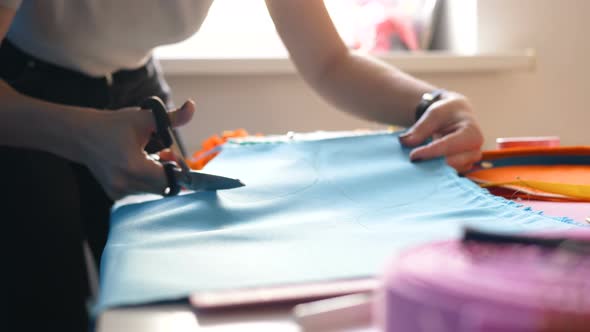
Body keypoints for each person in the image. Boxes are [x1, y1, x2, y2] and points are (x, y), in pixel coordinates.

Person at [0, 0, 483, 330]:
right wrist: (80, 132)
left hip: (133, 88)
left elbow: (328, 61)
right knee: (41, 307)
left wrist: (432, 103)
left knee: (170, 297)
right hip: (19, 94)